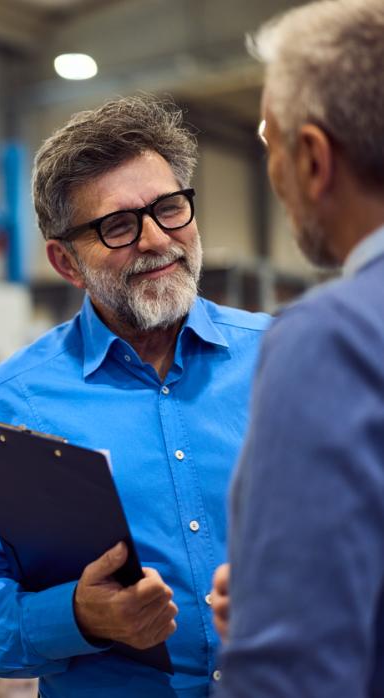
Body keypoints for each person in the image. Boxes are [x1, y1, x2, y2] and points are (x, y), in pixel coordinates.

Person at [0, 94, 270, 698]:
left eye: (169, 209)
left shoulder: (283, 358)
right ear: (66, 262)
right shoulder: (13, 404)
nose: (156, 239)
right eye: (117, 226)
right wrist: (77, 618)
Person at [210, 1, 384, 696]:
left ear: (312, 157)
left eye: (268, 139)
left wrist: (279, 617)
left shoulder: (331, 337)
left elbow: (291, 678)